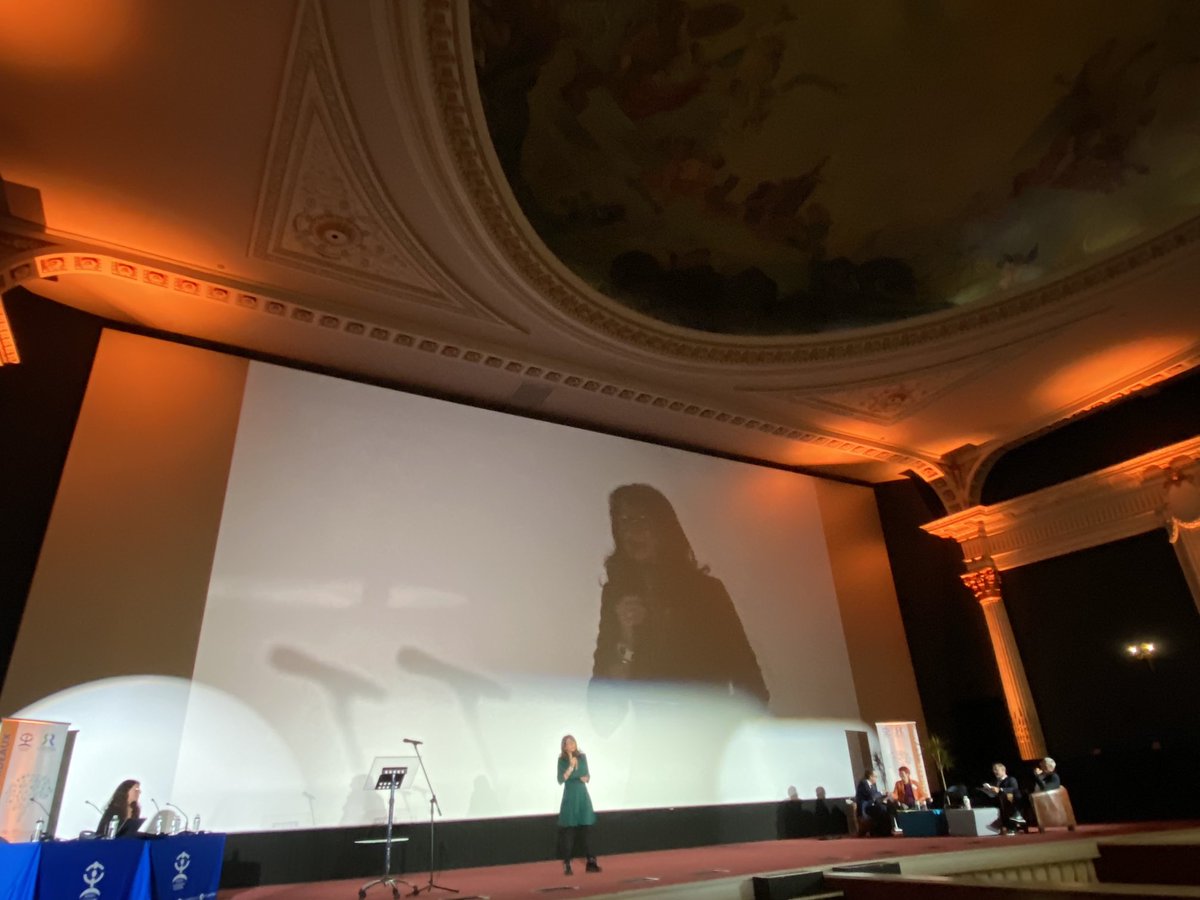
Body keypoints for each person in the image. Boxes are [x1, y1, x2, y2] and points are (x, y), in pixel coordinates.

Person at [590, 484, 768, 702]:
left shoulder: (707, 591)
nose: (633, 530)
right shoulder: (616, 596)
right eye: (624, 521)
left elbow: (747, 674)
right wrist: (627, 638)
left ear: (664, 528)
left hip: (711, 726)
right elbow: (602, 709)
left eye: (643, 519)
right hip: (656, 732)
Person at [556, 735, 600, 876]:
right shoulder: (561, 760)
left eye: (573, 741)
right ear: (564, 746)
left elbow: (586, 775)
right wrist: (571, 767)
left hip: (582, 795)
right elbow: (560, 779)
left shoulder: (582, 757)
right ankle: (567, 863)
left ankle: (591, 862)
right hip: (570, 796)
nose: (571, 744)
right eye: (568, 742)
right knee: (569, 831)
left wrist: (573, 773)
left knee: (587, 829)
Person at [980, 762, 1024, 834]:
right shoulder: (995, 782)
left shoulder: (1011, 779)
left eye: (996, 770)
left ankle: (1012, 826)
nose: (994, 772)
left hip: (1010, 800)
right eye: (994, 770)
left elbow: (1014, 789)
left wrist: (1000, 789)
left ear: (1003, 770)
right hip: (997, 800)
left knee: (1009, 797)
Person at [853, 769, 894, 836]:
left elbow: (875, 797)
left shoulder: (873, 786)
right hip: (865, 808)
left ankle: (886, 831)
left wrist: (884, 798)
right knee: (881, 808)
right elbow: (872, 796)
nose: (876, 778)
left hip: (872, 806)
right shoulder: (863, 783)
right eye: (875, 776)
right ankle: (881, 832)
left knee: (887, 806)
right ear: (870, 776)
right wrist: (881, 792)